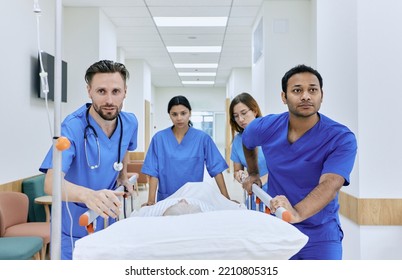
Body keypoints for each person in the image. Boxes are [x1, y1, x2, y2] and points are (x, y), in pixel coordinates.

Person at [242, 64, 357, 260]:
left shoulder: (340, 138)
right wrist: (253, 172)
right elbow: (247, 140)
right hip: (278, 228)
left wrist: (296, 213)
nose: (305, 96)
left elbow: (331, 184)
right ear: (284, 97)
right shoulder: (267, 127)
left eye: (312, 89)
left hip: (320, 234)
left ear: (321, 95)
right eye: (297, 90)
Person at [39, 60, 138, 260]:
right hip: (73, 225)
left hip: (107, 221)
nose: (109, 100)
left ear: (125, 92)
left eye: (116, 91)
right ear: (89, 91)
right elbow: (51, 184)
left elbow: (125, 146)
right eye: (101, 91)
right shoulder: (72, 127)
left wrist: (123, 176)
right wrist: (88, 196)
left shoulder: (130, 122)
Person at [141, 95, 230, 204]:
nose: (179, 118)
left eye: (183, 113)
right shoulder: (159, 139)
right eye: (174, 114)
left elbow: (216, 169)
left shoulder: (202, 138)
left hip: (194, 198)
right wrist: (150, 201)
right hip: (167, 198)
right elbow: (153, 172)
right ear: (169, 115)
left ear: (190, 113)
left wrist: (226, 198)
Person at [229, 92, 268, 210]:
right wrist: (240, 175)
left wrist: (261, 180)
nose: (240, 119)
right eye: (236, 116)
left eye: (244, 113)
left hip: (276, 192)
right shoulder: (237, 140)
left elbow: (283, 165)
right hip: (254, 196)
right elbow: (237, 170)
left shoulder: (269, 133)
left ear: (254, 111)